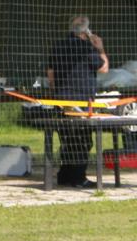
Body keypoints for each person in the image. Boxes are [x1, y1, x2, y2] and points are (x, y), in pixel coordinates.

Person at [46, 14, 109, 188]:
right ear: (86, 31)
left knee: (67, 139)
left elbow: (50, 74)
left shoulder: (58, 46)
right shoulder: (86, 48)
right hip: (80, 101)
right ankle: (78, 178)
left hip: (61, 99)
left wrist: (56, 93)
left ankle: (64, 176)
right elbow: (104, 68)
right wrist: (100, 48)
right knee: (82, 140)